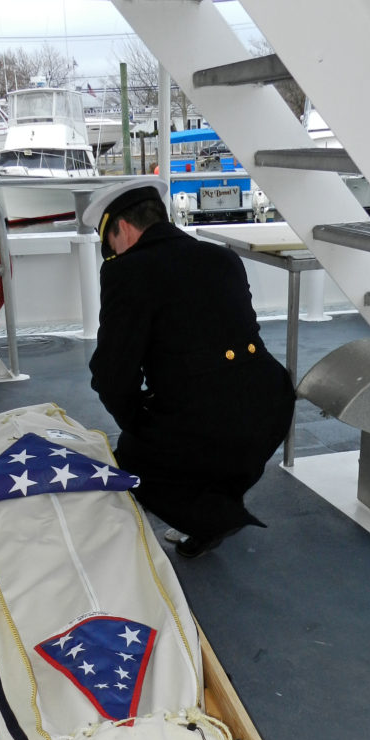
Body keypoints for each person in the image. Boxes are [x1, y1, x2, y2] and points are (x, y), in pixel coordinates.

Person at [84, 176, 296, 558]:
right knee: (214, 429)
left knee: (132, 460)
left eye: (111, 243)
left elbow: (113, 376)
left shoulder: (126, 272)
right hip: (272, 406)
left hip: (214, 423)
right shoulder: (222, 257)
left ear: (125, 229)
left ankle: (212, 519)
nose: (113, 253)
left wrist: (139, 423)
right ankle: (216, 507)